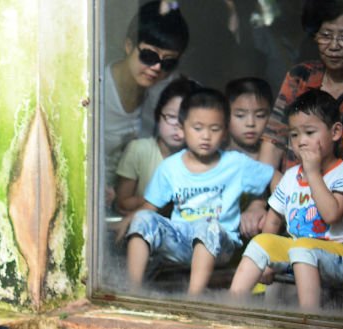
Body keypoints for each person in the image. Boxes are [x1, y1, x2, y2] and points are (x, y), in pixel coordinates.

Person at [125, 88, 274, 295]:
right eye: (198, 128)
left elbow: (276, 180)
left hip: (221, 243)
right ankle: (133, 290)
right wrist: (129, 221)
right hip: (180, 240)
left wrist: (266, 209)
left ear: (225, 132)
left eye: (214, 129)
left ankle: (194, 297)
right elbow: (149, 208)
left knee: (206, 225)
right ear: (183, 128)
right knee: (143, 218)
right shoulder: (170, 167)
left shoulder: (236, 164)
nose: (206, 136)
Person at [229, 90, 343, 311]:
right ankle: (230, 307)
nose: (301, 142)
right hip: (299, 255)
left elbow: (331, 214)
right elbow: (272, 221)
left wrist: (312, 173)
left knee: (302, 247)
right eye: (294, 135)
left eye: (310, 132)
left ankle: (309, 318)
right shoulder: (291, 176)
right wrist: (267, 259)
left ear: (335, 132)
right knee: (260, 243)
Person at [260, 4, 343, 172]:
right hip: (293, 189)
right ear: (315, 38)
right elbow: (273, 140)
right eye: (325, 36)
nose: (334, 46)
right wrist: (274, 192)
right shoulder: (300, 76)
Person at [104, 1, 190, 204]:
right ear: (128, 46)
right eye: (149, 56)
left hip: (141, 202)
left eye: (168, 62)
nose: (157, 67)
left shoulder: (167, 91)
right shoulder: (97, 88)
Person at [113, 77, 196, 217]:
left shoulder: (200, 158)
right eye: (171, 116)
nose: (178, 125)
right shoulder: (139, 149)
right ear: (158, 115)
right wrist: (162, 200)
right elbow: (122, 203)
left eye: (185, 118)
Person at [226, 77, 273, 161]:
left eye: (260, 115)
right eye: (240, 115)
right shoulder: (216, 160)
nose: (250, 123)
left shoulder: (282, 162)